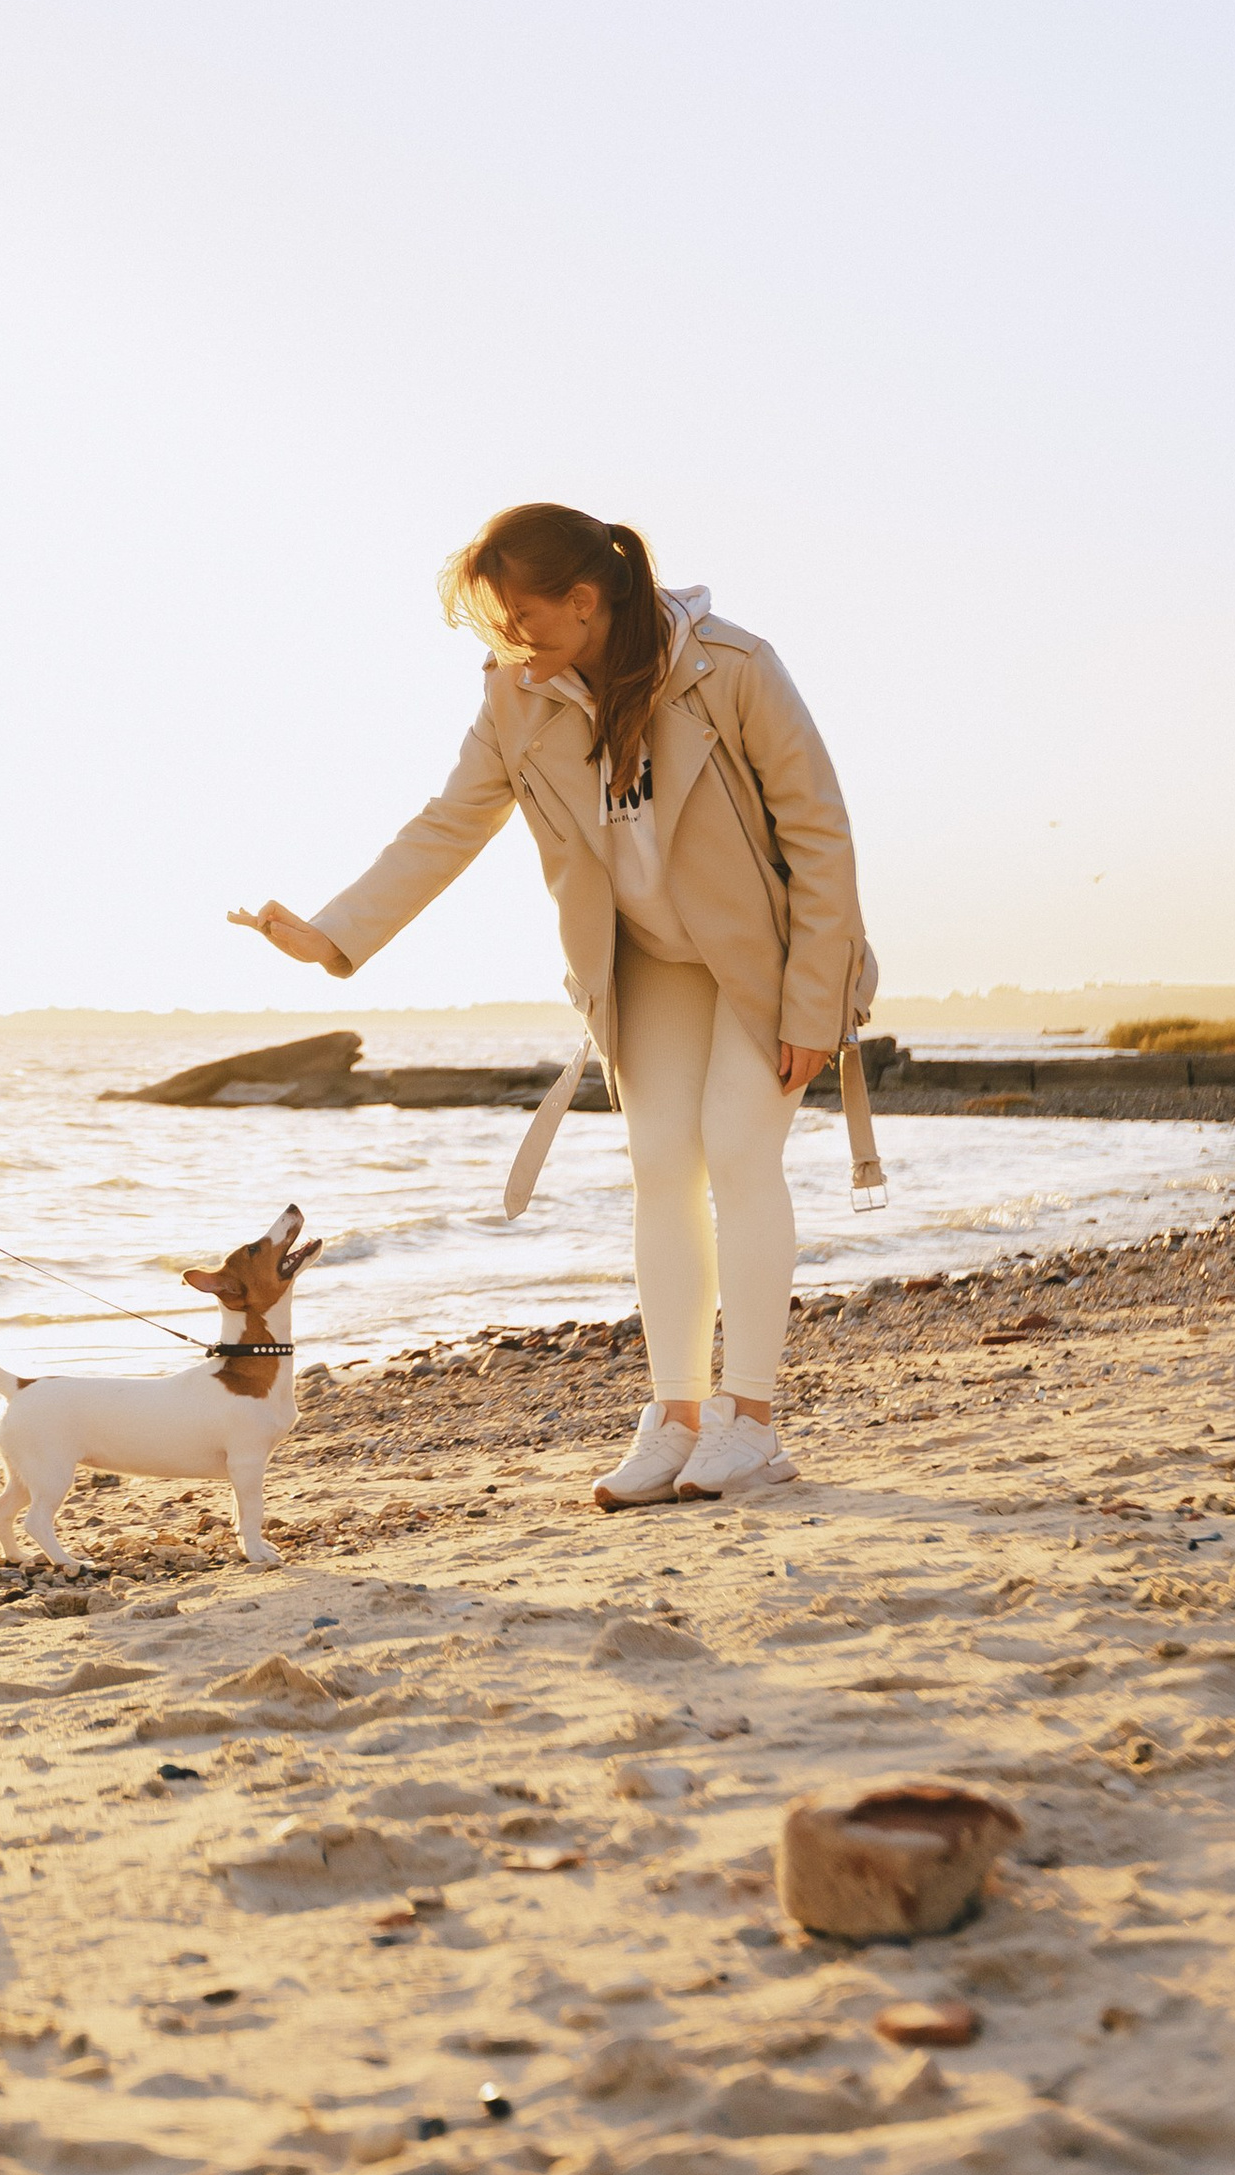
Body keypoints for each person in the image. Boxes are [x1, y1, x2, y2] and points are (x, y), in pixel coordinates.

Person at [231, 502, 874, 1510]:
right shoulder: (514, 702)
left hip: (769, 959)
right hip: (646, 964)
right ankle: (676, 1418)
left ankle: (751, 1422)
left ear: (585, 602)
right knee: (661, 1165)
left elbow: (819, 829)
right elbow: (449, 823)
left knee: (737, 1152)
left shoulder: (733, 667)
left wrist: (812, 1000)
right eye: (495, 631)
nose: (509, 649)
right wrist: (334, 932)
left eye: (520, 624)